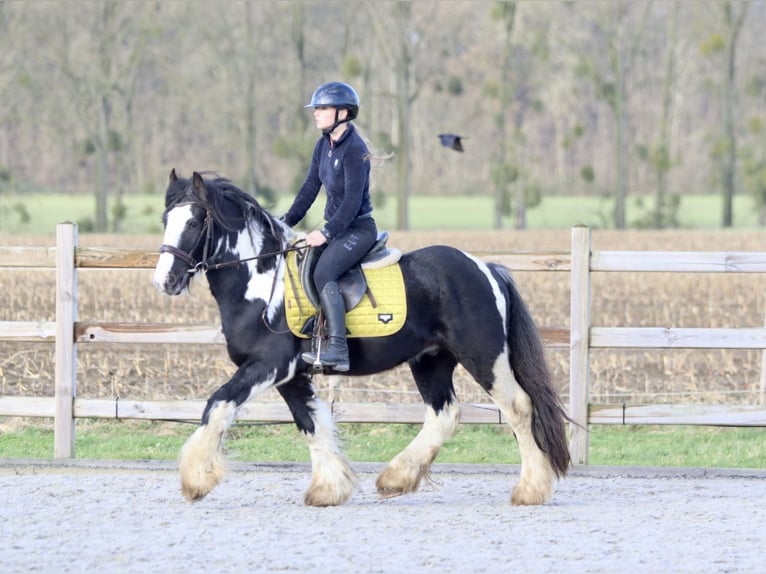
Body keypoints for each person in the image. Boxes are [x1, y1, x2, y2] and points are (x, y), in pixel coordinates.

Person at [282, 81, 377, 372]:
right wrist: (285, 222)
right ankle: (317, 330)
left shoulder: (355, 150)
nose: (316, 113)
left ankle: (338, 348)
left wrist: (326, 232)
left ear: (343, 112)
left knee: (324, 272)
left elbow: (351, 201)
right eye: (316, 108)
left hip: (358, 230)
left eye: (322, 108)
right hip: (339, 228)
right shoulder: (323, 145)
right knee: (305, 265)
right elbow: (310, 187)